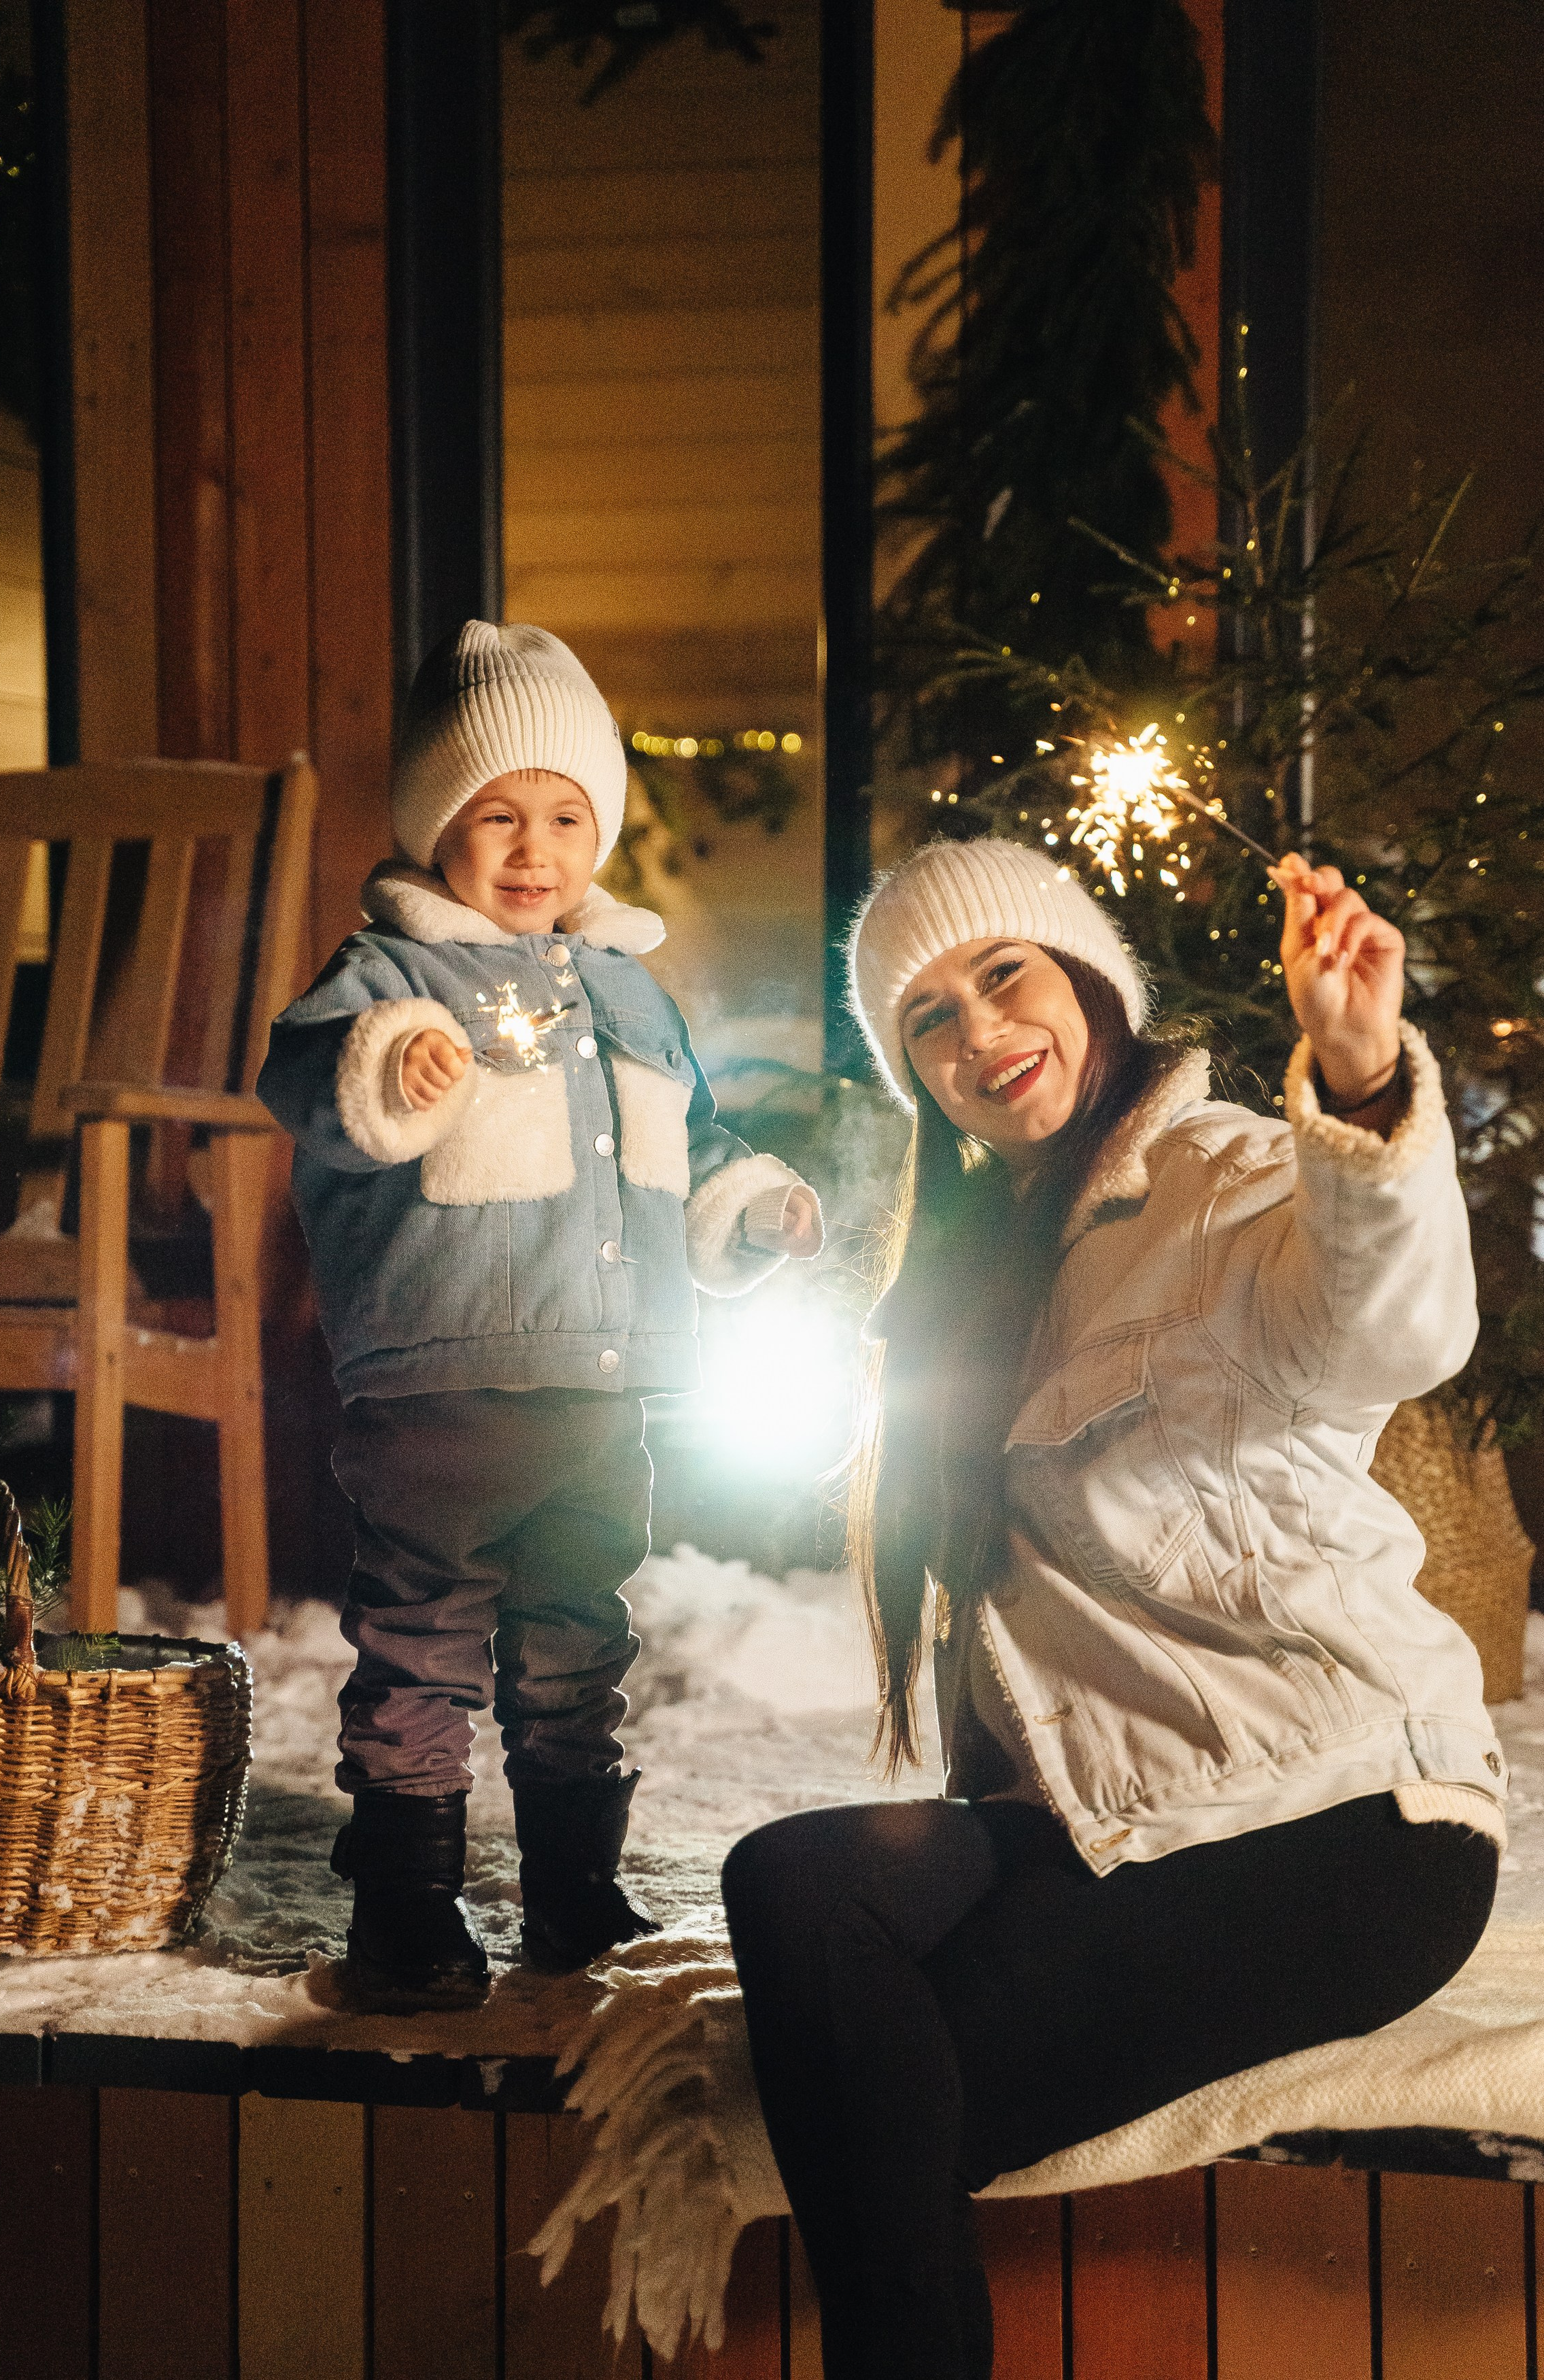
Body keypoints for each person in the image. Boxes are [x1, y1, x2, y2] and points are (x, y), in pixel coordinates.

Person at [720, 836, 1506, 2380]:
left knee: (893, 2093)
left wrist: (1358, 1091)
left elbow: (1398, 1323)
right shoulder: (974, 1263)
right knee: (801, 1888)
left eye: (1003, 973)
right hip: (1116, 1810)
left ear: (1088, 976)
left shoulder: (1224, 1176)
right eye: (928, 1020)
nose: (979, 1035)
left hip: (1345, 1814)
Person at [258, 620, 821, 2009]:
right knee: (422, 1641)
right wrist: (398, 1067)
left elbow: (683, 1142)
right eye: (496, 813)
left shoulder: (631, 993)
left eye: (567, 816)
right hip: (438, 1383)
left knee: (578, 1635)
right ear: (435, 823)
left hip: (598, 1384)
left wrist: (747, 1204)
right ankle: (407, 1902)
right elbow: (311, 1082)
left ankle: (573, 1887)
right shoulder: (387, 972)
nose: (534, 848)